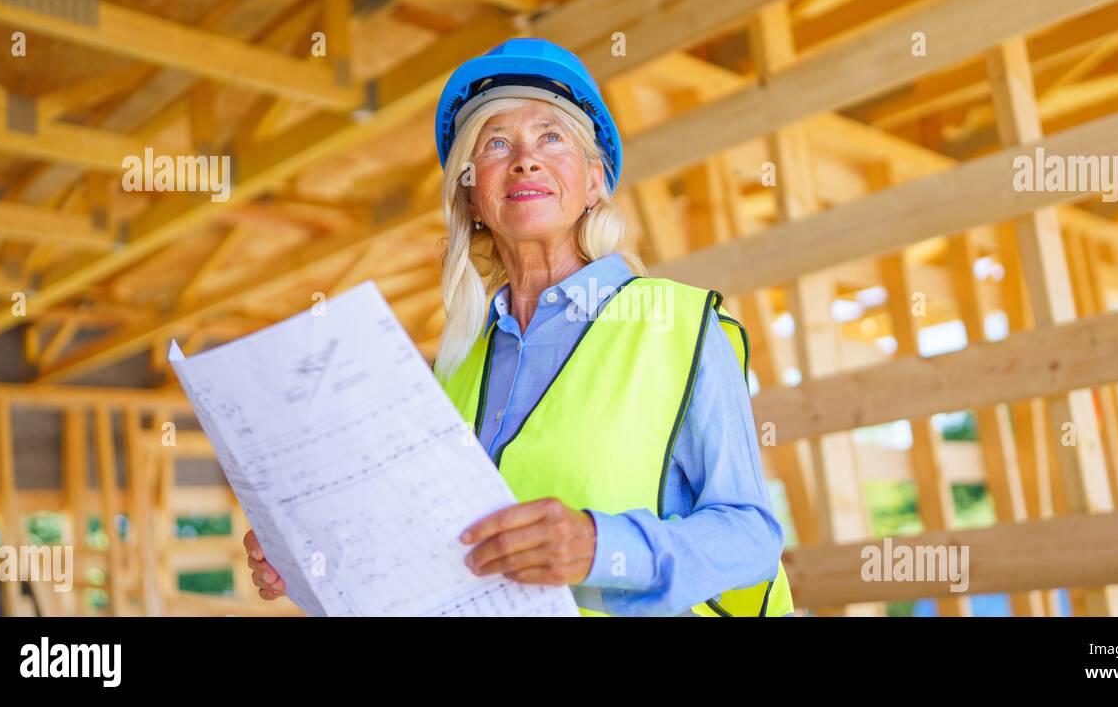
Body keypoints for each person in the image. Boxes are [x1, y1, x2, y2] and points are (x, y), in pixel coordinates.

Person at [245, 38, 793, 616]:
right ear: (473, 197)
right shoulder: (450, 371)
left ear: (594, 181)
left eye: (551, 137)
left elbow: (751, 536)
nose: (524, 160)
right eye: (496, 144)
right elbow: (423, 553)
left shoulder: (679, 325)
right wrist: (318, 564)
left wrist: (602, 548)